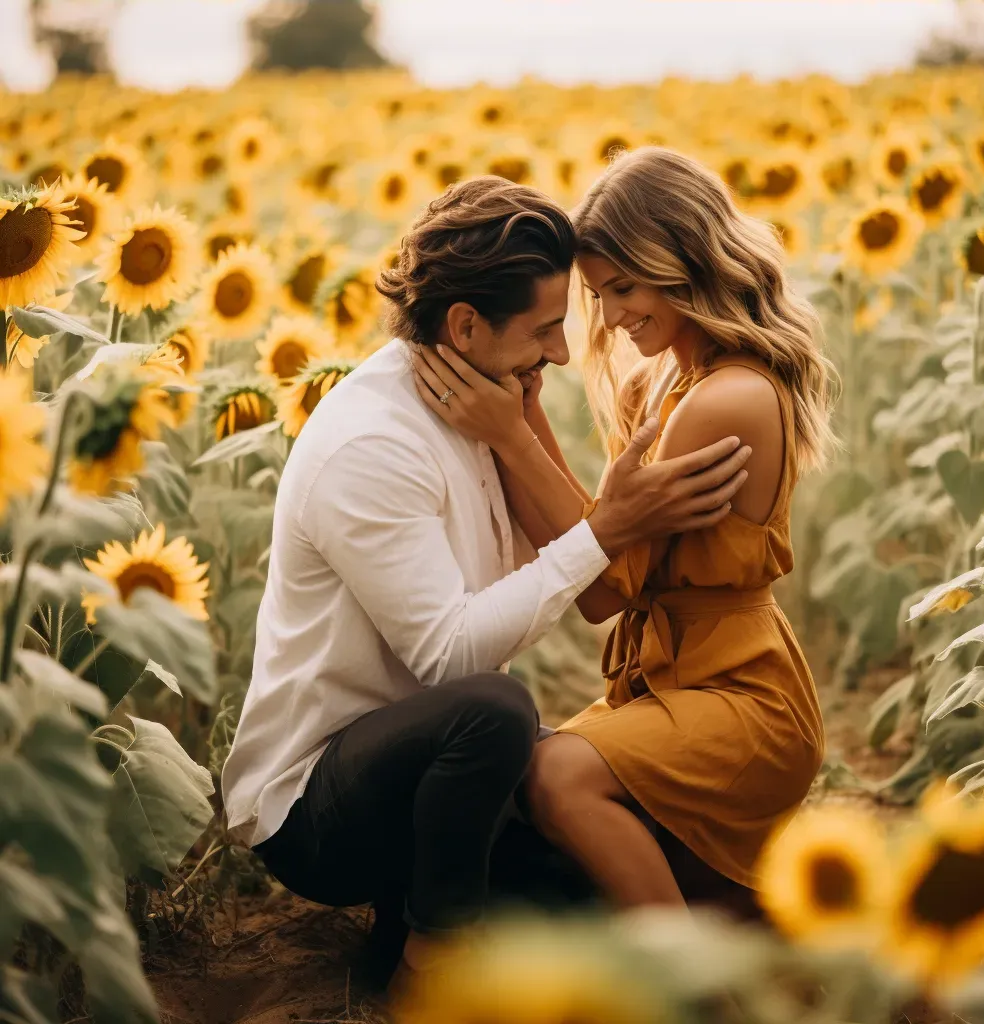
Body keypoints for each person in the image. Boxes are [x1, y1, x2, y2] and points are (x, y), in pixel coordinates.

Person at [219, 175, 752, 988]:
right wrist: (607, 526)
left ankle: (408, 924)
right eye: (545, 330)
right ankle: (432, 963)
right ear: (465, 325)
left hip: (438, 774)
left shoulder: (481, 401)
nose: (565, 353)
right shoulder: (373, 445)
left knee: (603, 863)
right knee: (494, 710)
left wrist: (528, 436)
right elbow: (450, 659)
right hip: (319, 806)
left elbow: (592, 597)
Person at [412, 148, 834, 920]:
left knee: (558, 777)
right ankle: (738, 918)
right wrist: (524, 408)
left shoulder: (727, 398)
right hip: (671, 683)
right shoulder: (664, 378)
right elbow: (603, 537)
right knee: (523, 780)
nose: (609, 316)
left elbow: (602, 588)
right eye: (599, 294)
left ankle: (682, 988)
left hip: (740, 696)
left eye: (624, 288)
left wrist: (511, 435)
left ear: (683, 260)